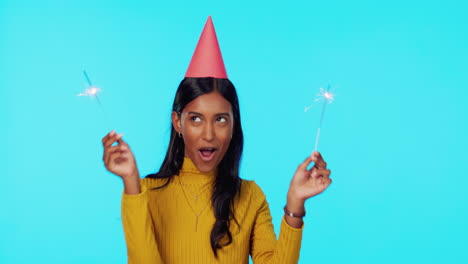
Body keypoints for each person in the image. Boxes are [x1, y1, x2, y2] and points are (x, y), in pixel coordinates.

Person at [102, 17, 332, 264]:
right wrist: (131, 184)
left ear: (234, 125)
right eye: (196, 119)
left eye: (221, 119)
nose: (209, 134)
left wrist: (295, 204)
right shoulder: (145, 193)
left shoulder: (250, 196)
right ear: (178, 122)